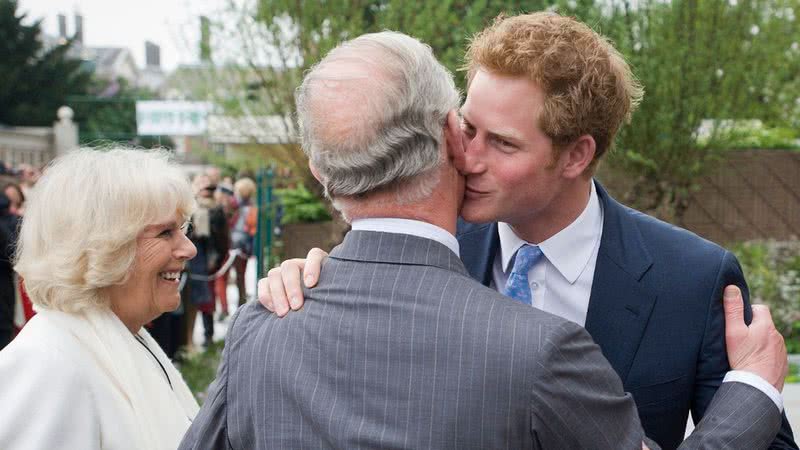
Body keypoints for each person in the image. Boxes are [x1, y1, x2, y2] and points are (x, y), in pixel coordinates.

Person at [182, 31, 787, 450]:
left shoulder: (695, 275)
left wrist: (759, 390)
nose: (465, 155)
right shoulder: (405, 249)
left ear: (577, 155)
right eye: (466, 127)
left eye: (502, 143)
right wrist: (320, 278)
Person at [0, 148, 200, 449]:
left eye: (182, 229)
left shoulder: (120, 337)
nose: (189, 249)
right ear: (103, 248)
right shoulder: (49, 366)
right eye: (165, 233)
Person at [231, 177, 257, 305]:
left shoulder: (235, 206)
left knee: (239, 274)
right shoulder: (253, 205)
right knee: (242, 273)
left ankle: (241, 299)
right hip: (246, 242)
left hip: (236, 243)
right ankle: (242, 297)